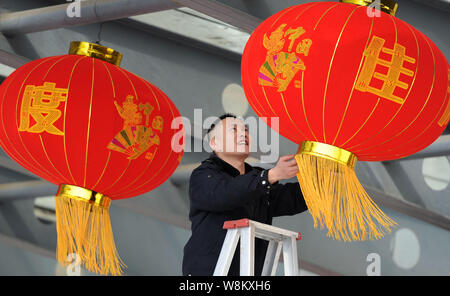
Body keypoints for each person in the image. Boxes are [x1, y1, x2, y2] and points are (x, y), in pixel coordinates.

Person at [182, 113, 308, 276]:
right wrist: (270, 176)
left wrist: (321, 183)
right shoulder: (203, 175)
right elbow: (226, 193)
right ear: (215, 143)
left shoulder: (257, 179)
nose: (243, 133)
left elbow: (290, 199)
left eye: (246, 130)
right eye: (234, 129)